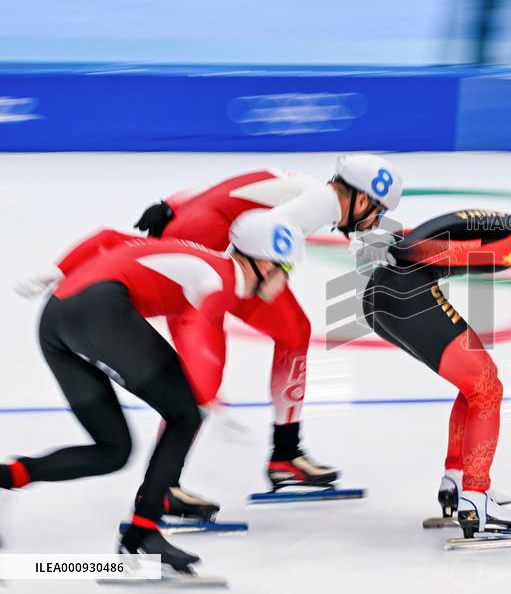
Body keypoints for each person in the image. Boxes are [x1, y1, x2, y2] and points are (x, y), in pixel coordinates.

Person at [2, 211, 305, 573]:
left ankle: (7, 477)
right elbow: (197, 325)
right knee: (185, 415)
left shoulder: (204, 259)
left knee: (113, 450)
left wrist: (58, 270)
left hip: (55, 318)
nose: (284, 283)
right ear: (264, 265)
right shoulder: (224, 278)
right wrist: (205, 395)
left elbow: (109, 236)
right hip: (99, 311)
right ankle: (141, 537)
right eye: (286, 271)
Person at [131, 155, 403, 515]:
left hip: (202, 240)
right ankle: (159, 489)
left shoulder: (311, 192)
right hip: (206, 258)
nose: (375, 222)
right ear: (362, 199)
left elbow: (225, 192)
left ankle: (286, 455)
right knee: (203, 379)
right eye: (378, 213)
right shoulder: (320, 203)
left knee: (293, 332)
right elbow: (260, 234)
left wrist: (171, 206)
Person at [363, 187, 511, 539]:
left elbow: (442, 230)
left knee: (476, 383)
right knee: (487, 386)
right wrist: (405, 248)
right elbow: (452, 252)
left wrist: (403, 243)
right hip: (405, 293)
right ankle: (475, 499)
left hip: (382, 293)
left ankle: (458, 480)